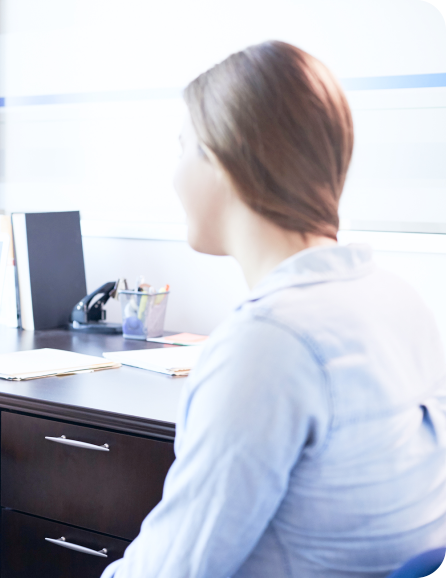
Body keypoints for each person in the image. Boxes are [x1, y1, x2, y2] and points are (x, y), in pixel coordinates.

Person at [102, 41, 446, 578]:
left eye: (183, 147)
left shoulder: (268, 343)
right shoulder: (398, 300)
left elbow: (175, 570)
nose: (173, 176)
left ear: (229, 158)